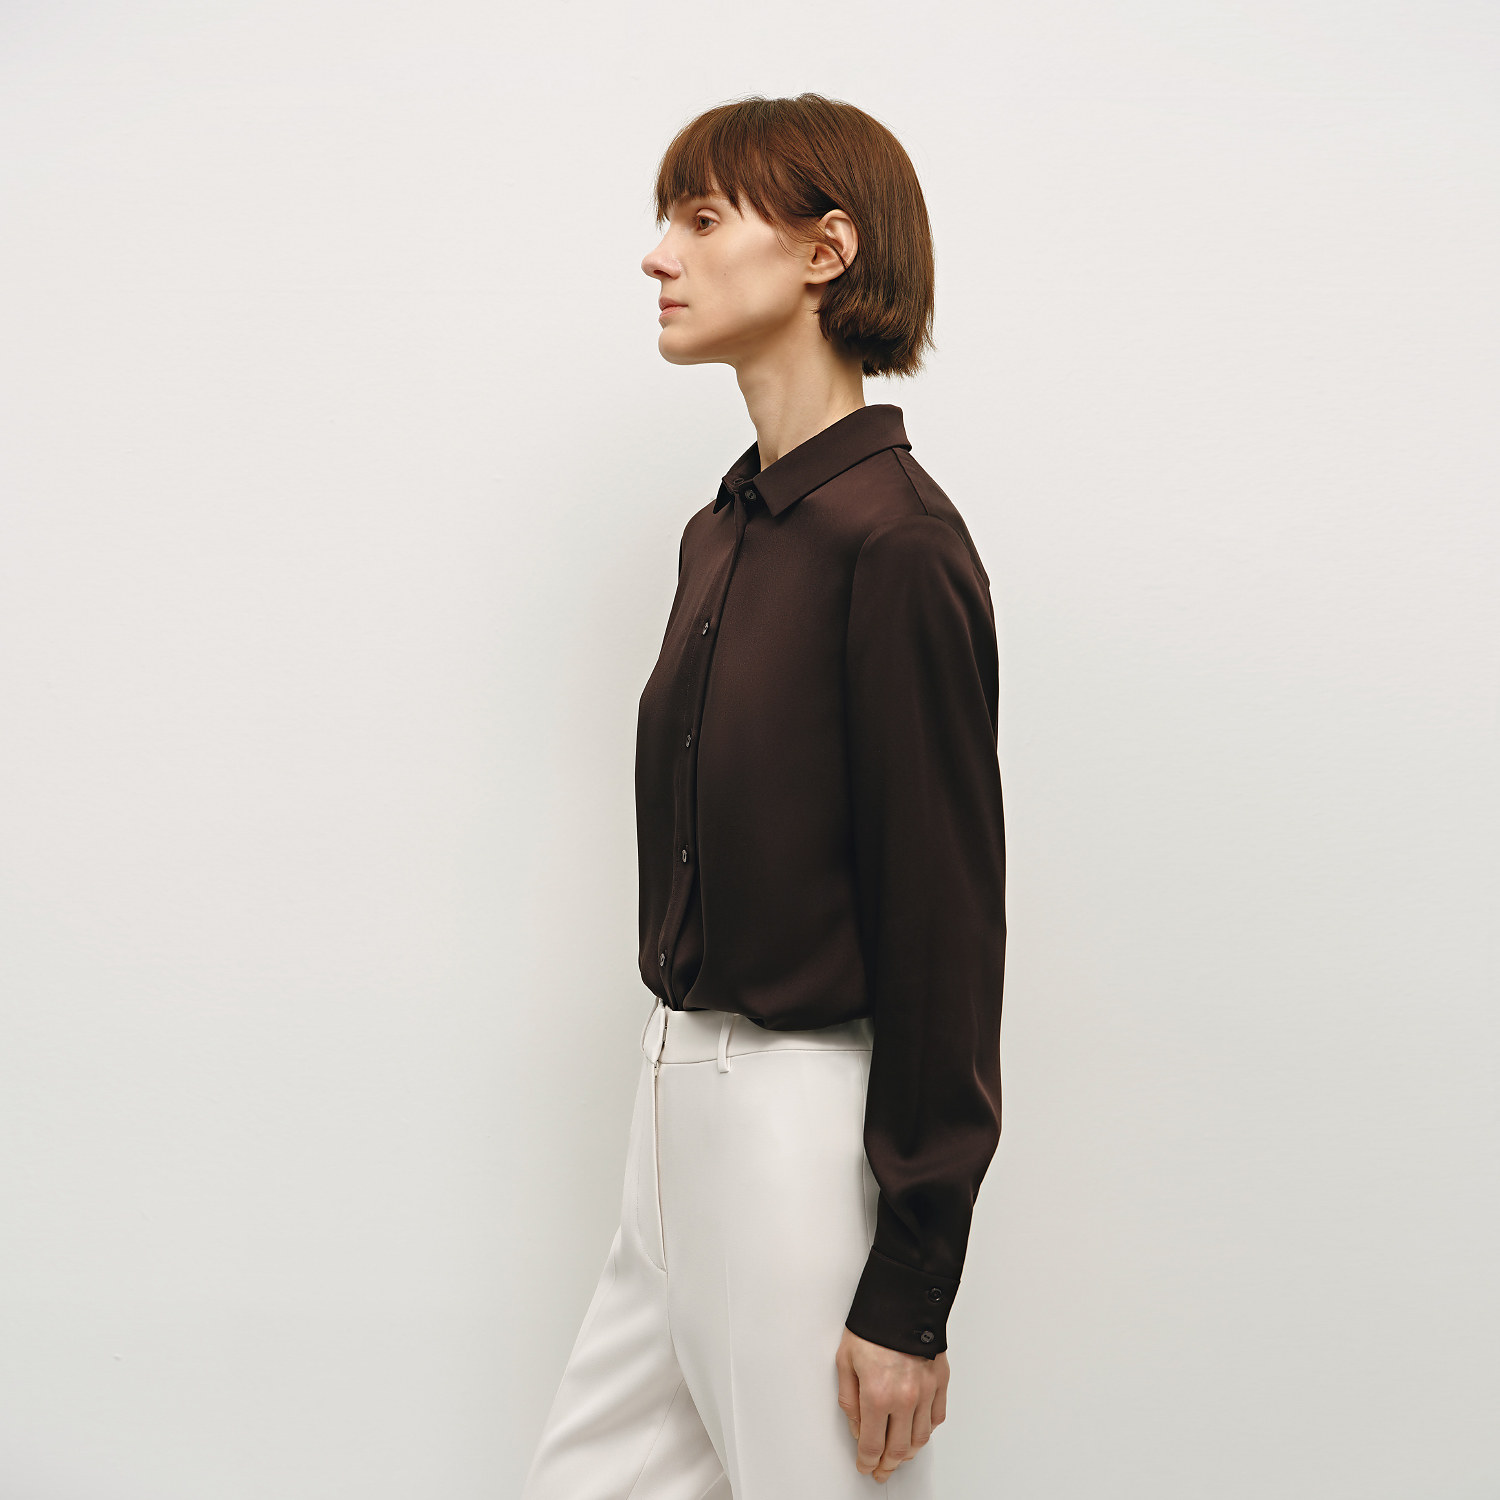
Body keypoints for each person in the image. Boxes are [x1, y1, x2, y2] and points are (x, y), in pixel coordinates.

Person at [519, 92, 1006, 1498]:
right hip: (669, 1116)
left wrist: (911, 1288)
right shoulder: (722, 534)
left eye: (701, 217)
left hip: (796, 1124)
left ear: (824, 251)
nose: (658, 254)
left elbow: (944, 928)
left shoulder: (896, 546)